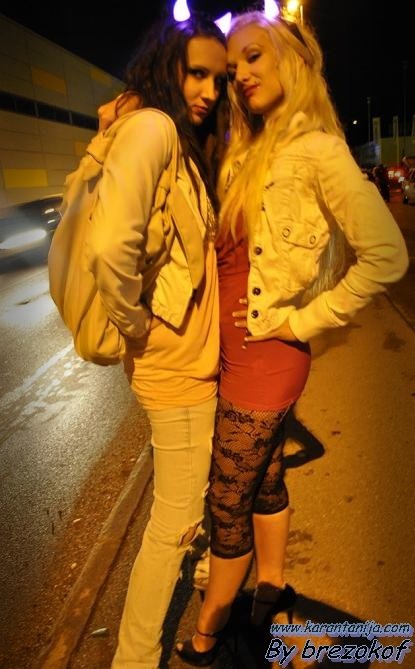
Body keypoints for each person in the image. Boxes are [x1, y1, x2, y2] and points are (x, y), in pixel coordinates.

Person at [176, 11, 408, 666]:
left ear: (292, 62)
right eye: (234, 65)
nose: (240, 74)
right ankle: (271, 590)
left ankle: (210, 633)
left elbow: (386, 256)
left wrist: (302, 321)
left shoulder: (316, 150)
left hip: (267, 356)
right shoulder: (247, 149)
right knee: (266, 480)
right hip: (235, 352)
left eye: (254, 57)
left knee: (226, 502)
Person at [88, 15, 228, 669]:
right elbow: (109, 247)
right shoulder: (154, 129)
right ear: (167, 66)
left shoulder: (175, 137)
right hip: (176, 369)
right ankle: (135, 657)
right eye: (197, 73)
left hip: (188, 365)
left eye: (218, 80)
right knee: (172, 523)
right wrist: (137, 326)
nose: (209, 91)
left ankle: (195, 585)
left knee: (181, 510)